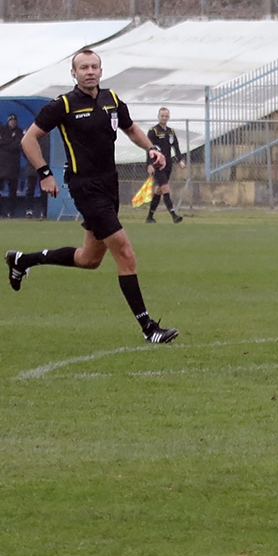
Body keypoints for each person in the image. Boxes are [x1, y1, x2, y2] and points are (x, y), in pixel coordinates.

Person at [8, 49, 179, 344]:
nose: (90, 71)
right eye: (83, 67)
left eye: (94, 66)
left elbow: (131, 129)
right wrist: (44, 173)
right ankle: (149, 328)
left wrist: (150, 148)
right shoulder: (63, 104)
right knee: (125, 252)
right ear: (73, 73)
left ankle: (22, 260)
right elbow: (29, 139)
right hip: (84, 187)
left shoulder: (111, 100)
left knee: (89, 259)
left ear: (101, 71)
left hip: (109, 184)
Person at [145, 107, 185, 224]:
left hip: (168, 164)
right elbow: (149, 149)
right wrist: (150, 164)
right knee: (166, 188)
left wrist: (180, 160)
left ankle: (150, 217)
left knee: (159, 191)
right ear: (158, 116)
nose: (164, 118)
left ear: (169, 117)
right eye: (162, 116)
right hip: (157, 165)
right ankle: (174, 215)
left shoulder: (171, 132)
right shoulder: (153, 131)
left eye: (166, 116)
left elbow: (176, 148)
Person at [0, 113, 24, 217]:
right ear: (8, 121)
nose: (12, 122)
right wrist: (10, 142)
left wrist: (6, 144)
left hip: (14, 167)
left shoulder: (19, 132)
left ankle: (11, 212)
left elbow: (17, 145)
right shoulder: (2, 130)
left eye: (14, 120)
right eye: (11, 120)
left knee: (12, 191)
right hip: (1, 166)